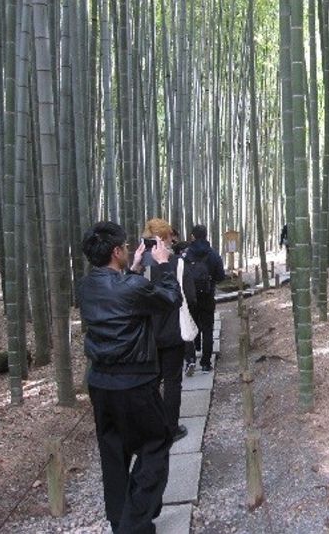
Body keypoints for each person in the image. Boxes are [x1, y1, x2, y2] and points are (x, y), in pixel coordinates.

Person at [77, 221, 182, 533]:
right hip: (134, 383)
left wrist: (134, 269)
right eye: (124, 247)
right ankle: (133, 525)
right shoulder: (129, 287)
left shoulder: (85, 287)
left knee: (114, 452)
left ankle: (118, 518)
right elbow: (169, 299)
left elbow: (122, 298)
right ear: (116, 252)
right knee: (155, 444)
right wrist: (163, 265)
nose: (127, 251)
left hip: (100, 382)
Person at [139, 219, 198, 441]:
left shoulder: (141, 266)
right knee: (173, 381)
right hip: (173, 330)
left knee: (151, 382)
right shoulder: (177, 264)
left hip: (147, 334)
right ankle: (171, 428)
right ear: (164, 239)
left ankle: (152, 428)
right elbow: (190, 297)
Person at [184, 224, 225, 372]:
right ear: (206, 235)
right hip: (207, 296)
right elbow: (221, 276)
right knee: (208, 329)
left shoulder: (186, 255)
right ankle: (206, 363)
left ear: (192, 236)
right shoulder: (213, 254)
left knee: (190, 327)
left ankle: (190, 360)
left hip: (190, 297)